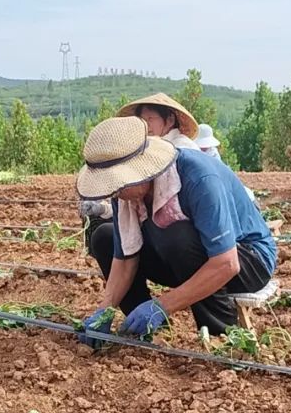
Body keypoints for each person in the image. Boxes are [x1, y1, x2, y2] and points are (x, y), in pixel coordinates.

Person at [77, 117, 277, 345]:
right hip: (184, 257)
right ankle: (142, 330)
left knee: (175, 235)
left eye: (120, 185)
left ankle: (220, 333)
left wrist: (163, 305)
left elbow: (226, 263)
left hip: (246, 259)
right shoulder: (124, 195)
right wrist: (105, 310)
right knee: (104, 236)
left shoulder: (197, 176)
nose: (117, 194)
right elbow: (125, 260)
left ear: (142, 170)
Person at [81, 94, 202, 253]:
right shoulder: (138, 160)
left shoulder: (184, 154)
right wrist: (103, 208)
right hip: (159, 233)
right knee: (104, 236)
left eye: (151, 118)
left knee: (177, 236)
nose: (146, 125)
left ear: (170, 120)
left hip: (190, 240)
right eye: (141, 120)